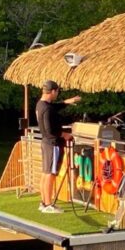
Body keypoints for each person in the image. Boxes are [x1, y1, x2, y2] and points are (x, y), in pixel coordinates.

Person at [36, 80, 80, 213]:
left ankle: (43, 202)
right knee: (50, 174)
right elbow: (50, 130)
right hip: (52, 144)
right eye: (57, 92)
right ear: (53, 91)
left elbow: (55, 107)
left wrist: (68, 101)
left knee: (45, 173)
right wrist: (64, 135)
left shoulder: (41, 104)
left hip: (45, 143)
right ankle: (48, 204)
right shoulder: (47, 109)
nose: (57, 94)